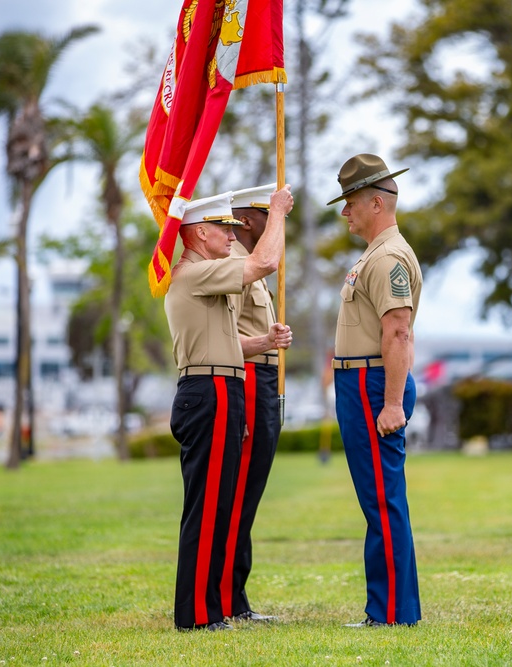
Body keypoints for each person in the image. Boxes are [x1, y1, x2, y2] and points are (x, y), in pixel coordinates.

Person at [165, 187, 293, 632]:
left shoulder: (205, 273)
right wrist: (276, 212)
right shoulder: (195, 272)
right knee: (207, 506)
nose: (232, 236)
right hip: (208, 388)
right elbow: (265, 263)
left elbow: (226, 340)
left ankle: (210, 608)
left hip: (221, 385)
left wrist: (263, 343)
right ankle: (198, 616)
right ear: (199, 233)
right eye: (224, 228)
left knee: (218, 504)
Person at [326, 154, 423, 627]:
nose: (345, 212)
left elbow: (398, 332)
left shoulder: (387, 258)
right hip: (360, 382)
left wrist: (389, 402)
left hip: (372, 384)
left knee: (383, 501)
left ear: (377, 203)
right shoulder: (375, 255)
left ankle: (391, 615)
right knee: (378, 499)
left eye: (350, 202)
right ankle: (390, 609)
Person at [218, 183, 290, 623]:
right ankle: (227, 598)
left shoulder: (248, 269)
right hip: (246, 378)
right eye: (270, 214)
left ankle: (235, 596)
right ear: (249, 220)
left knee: (250, 495)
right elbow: (225, 338)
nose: (278, 221)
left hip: (263, 379)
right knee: (238, 492)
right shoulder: (236, 265)